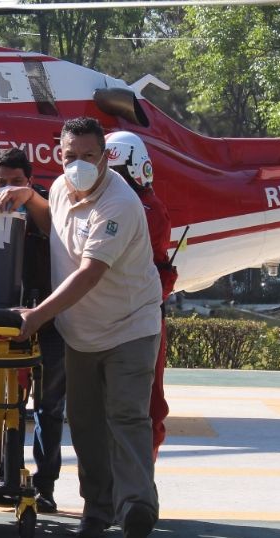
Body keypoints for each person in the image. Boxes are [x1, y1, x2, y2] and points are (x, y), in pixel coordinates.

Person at [0, 117, 162, 538]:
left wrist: (37, 316)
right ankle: (97, 511)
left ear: (105, 158)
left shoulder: (118, 204)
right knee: (84, 424)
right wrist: (29, 195)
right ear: (58, 156)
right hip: (79, 334)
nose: (78, 164)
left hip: (129, 328)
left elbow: (89, 272)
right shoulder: (64, 189)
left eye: (88, 156)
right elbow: (57, 229)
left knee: (125, 417)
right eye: (70, 156)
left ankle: (137, 505)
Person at [0, 148, 65, 514]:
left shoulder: (45, 208)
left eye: (17, 182)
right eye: (2, 182)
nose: (8, 191)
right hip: (3, 327)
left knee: (48, 409)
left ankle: (45, 485)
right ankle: (6, 477)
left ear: (30, 182)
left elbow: (53, 227)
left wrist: (28, 197)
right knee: (7, 404)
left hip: (49, 324)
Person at [105, 131, 178, 462]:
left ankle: (136, 483)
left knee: (146, 404)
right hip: (116, 315)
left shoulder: (146, 209)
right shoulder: (136, 205)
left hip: (136, 317)